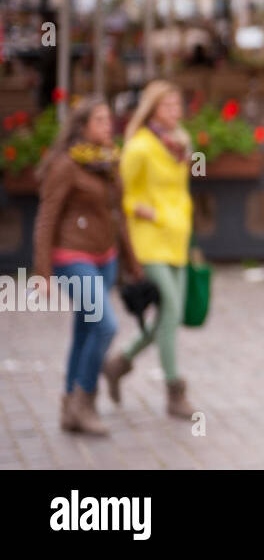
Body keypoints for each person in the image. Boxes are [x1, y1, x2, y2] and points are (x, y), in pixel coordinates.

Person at [31, 97, 144, 435]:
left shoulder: (109, 161)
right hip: (72, 257)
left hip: (105, 258)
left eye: (109, 119)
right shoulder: (66, 165)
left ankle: (70, 407)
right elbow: (47, 216)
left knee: (84, 331)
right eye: (99, 120)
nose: (107, 126)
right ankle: (86, 401)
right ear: (82, 127)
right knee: (105, 326)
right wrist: (42, 273)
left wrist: (132, 263)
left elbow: (118, 214)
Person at [100, 80, 198, 418]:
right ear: (152, 110)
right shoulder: (139, 147)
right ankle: (175, 391)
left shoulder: (181, 143)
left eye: (177, 106)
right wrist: (143, 210)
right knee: (169, 309)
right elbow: (120, 194)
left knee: (172, 315)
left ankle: (119, 362)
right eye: (168, 106)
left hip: (177, 239)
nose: (176, 112)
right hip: (148, 240)